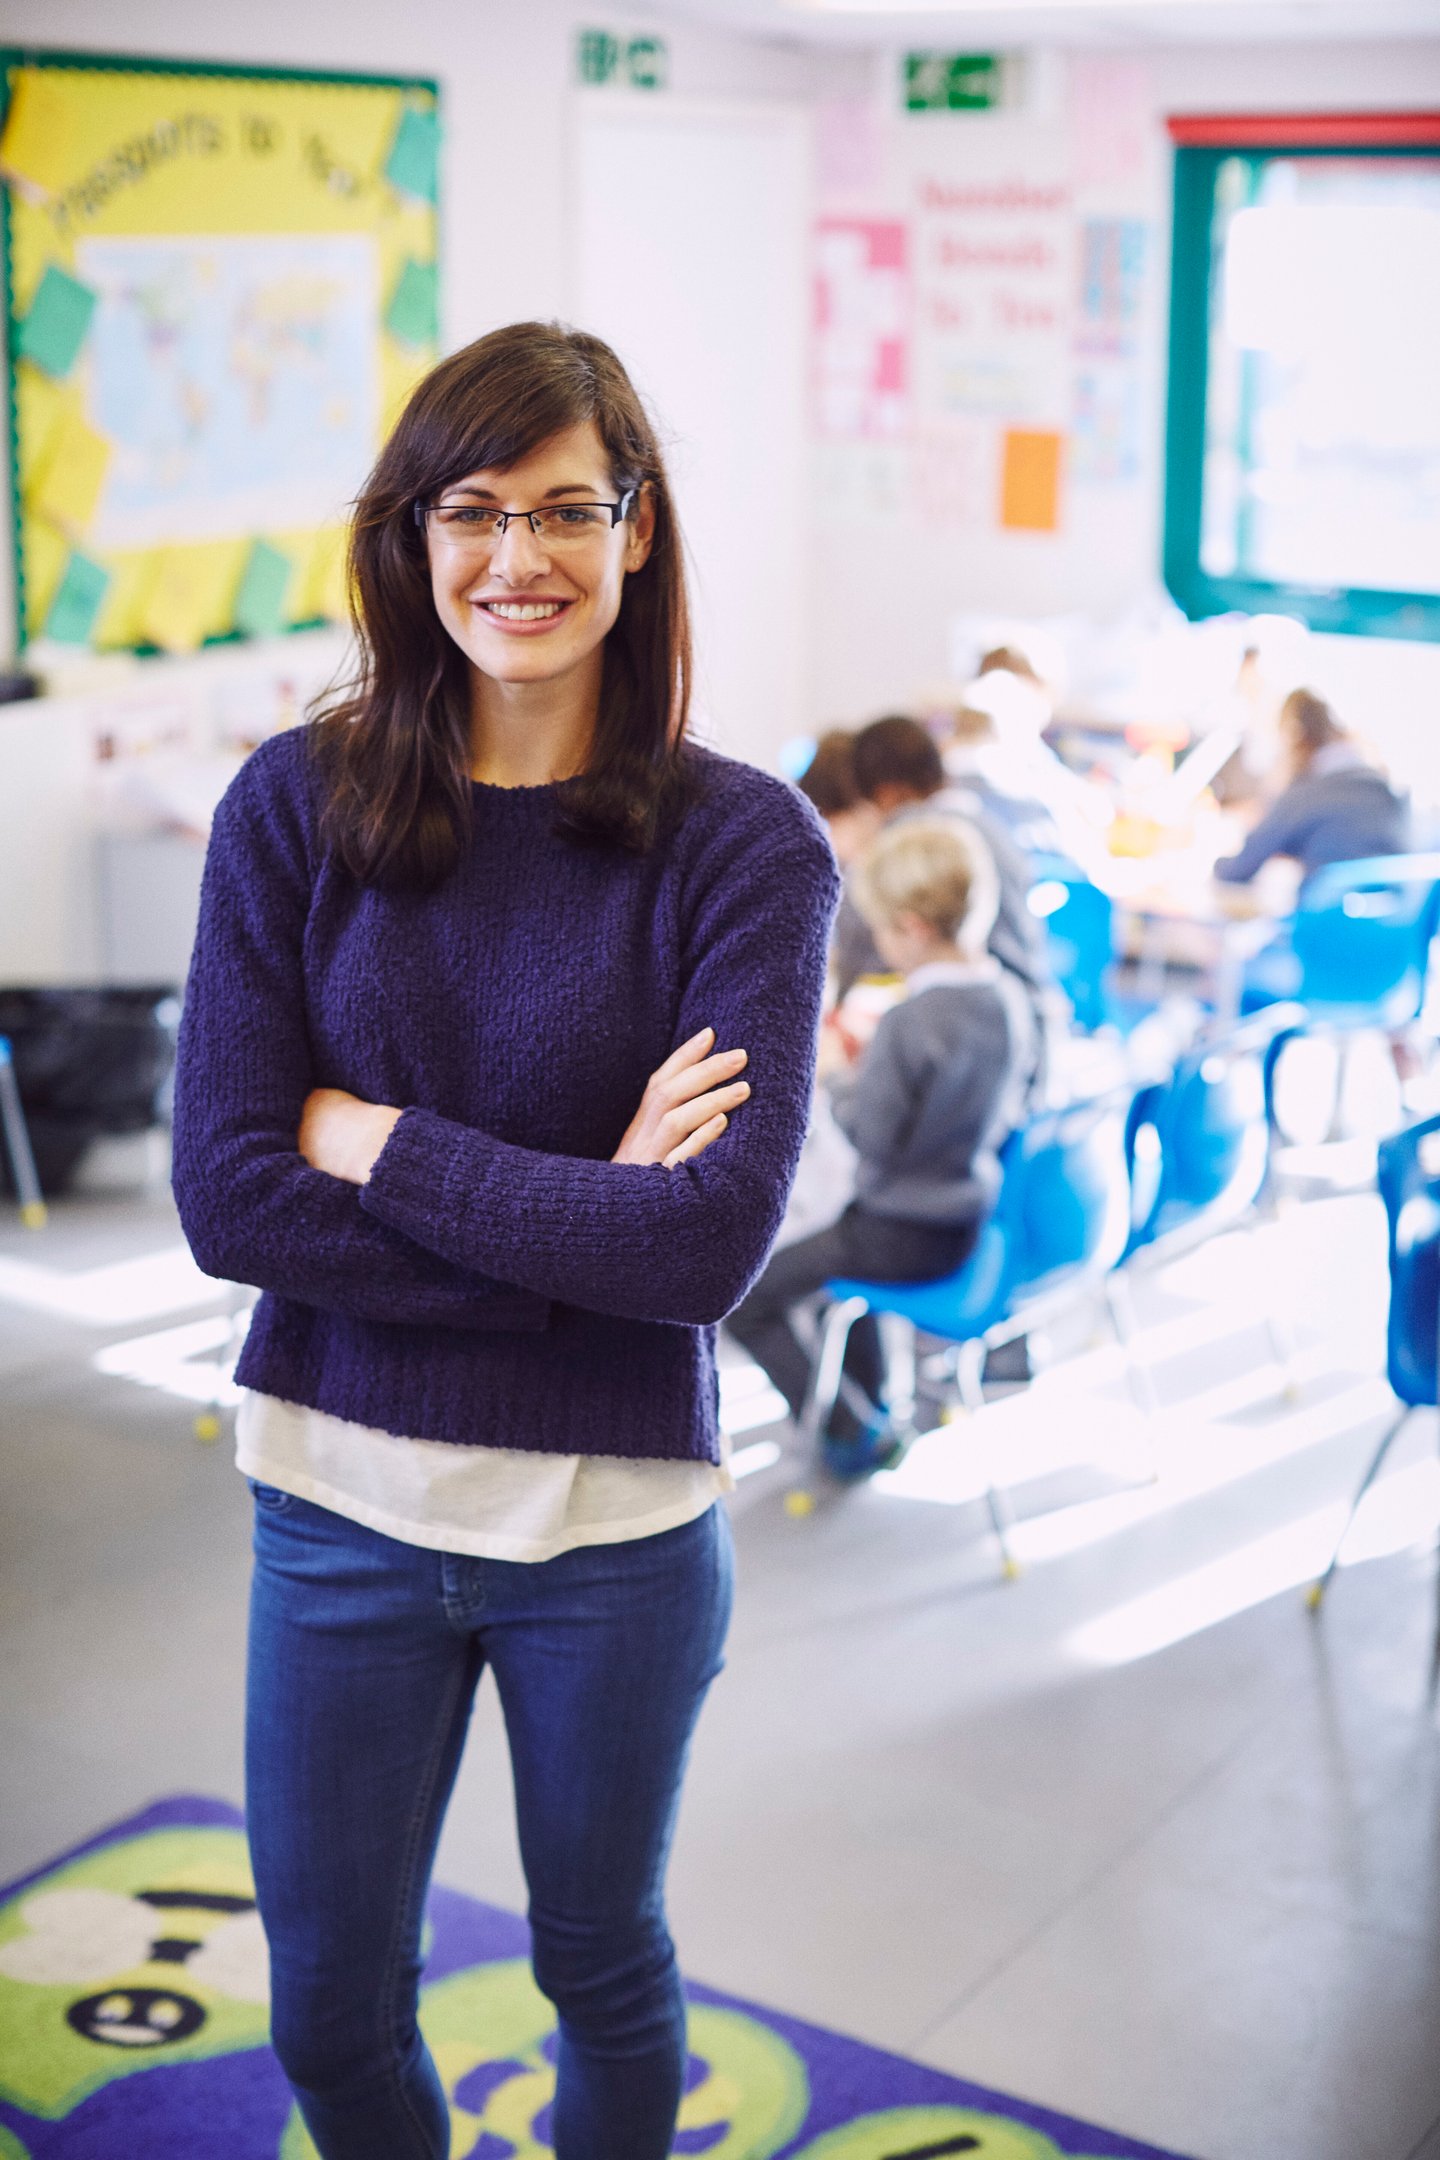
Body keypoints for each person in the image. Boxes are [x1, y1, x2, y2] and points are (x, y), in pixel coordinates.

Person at [170, 321, 838, 2160]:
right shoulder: (294, 807)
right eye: (472, 509)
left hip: (611, 1536)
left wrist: (371, 1138)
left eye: (566, 510)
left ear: (637, 533)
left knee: (599, 1963)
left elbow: (700, 1253)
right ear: (413, 535)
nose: (517, 559)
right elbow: (228, 1196)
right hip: (335, 1504)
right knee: (323, 2006)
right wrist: (582, 1218)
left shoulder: (747, 849)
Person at [726, 817, 1036, 1477]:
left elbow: (873, 1138)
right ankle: (876, 1398)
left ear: (912, 929)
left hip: (901, 1228)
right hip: (967, 1218)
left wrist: (840, 1078)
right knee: (830, 1263)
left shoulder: (908, 1021)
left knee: (746, 1297)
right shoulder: (1007, 998)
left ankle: (850, 1426)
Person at [848, 714, 1053, 1000]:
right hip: (1021, 1002)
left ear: (887, 795)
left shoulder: (912, 835)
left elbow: (858, 942)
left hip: (963, 1011)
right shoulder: (989, 825)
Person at [1214, 687, 1409, 892]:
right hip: (1392, 919)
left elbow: (1238, 869)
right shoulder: (1380, 785)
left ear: (1292, 739)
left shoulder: (1306, 791)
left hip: (1326, 918)